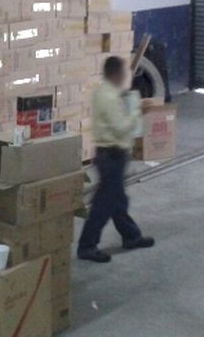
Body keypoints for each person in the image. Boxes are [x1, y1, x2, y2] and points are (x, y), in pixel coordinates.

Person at [77, 56, 155, 263]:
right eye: (124, 72)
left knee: (118, 201)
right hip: (112, 155)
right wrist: (138, 111)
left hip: (109, 154)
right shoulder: (109, 98)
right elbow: (121, 128)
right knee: (104, 204)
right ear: (117, 74)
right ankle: (86, 246)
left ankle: (131, 236)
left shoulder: (103, 92)